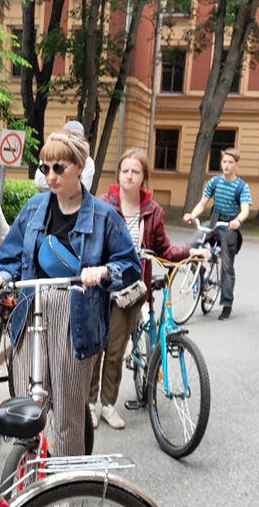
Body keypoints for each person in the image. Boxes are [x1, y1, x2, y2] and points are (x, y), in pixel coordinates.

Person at [0, 129, 140, 458]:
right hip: (30, 310)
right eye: (45, 168)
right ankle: (28, 473)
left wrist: (103, 272)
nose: (51, 176)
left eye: (59, 167)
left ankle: (64, 488)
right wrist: (1, 276)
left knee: (68, 412)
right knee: (28, 405)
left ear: (79, 166)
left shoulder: (103, 216)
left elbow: (130, 265)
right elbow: (8, 256)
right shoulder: (33, 209)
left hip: (74, 319)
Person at [89, 148, 208, 429]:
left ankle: (107, 405)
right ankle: (89, 404)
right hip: (100, 287)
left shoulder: (153, 210)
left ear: (144, 178)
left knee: (115, 350)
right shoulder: (103, 204)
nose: (129, 176)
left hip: (130, 290)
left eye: (135, 172)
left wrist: (192, 252)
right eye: (125, 170)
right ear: (118, 174)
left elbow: (163, 250)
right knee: (95, 350)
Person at [183, 147, 251, 320]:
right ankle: (199, 272)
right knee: (189, 247)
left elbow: (245, 210)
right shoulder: (214, 182)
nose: (226, 165)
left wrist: (238, 221)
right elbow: (202, 203)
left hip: (229, 226)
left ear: (236, 165)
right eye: (224, 162)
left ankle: (226, 304)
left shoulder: (242, 187)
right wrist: (192, 214)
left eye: (230, 162)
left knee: (227, 267)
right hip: (214, 222)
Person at [32, 120, 95, 192]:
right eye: (69, 138)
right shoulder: (50, 155)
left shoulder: (87, 161)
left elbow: (83, 189)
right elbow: (39, 183)